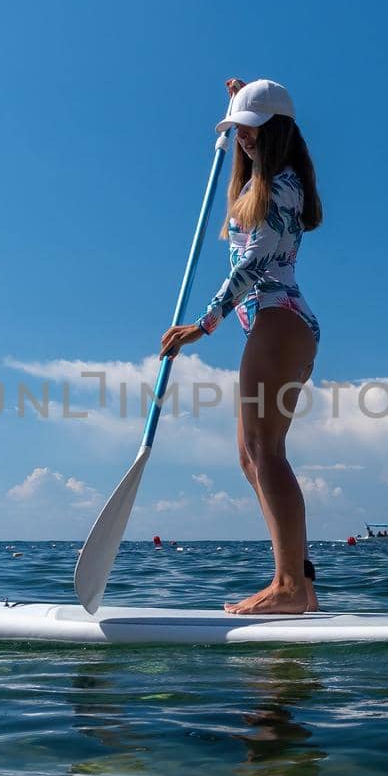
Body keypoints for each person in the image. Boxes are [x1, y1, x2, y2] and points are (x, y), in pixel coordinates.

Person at [160, 78, 322, 614]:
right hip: (270, 327)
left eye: (251, 132)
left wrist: (200, 327)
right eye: (237, 133)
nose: (243, 141)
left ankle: (289, 589)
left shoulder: (280, 186)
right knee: (250, 460)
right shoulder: (264, 181)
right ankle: (298, 580)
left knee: (266, 453)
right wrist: (236, 103)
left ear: (275, 131)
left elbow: (253, 266)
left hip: (279, 319)